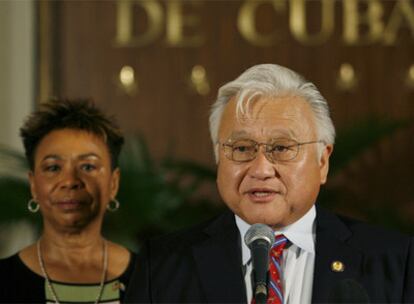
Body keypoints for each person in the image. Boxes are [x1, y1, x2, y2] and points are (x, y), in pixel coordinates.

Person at [125, 64, 414, 303]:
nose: (261, 169)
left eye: (281, 148)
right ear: (218, 159)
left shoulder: (395, 262)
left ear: (322, 162)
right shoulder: (162, 266)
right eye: (241, 148)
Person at [0, 99, 136, 303]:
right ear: (34, 185)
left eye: (88, 167)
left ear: (113, 183)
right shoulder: (3, 281)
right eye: (53, 168)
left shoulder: (149, 277)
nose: (70, 181)